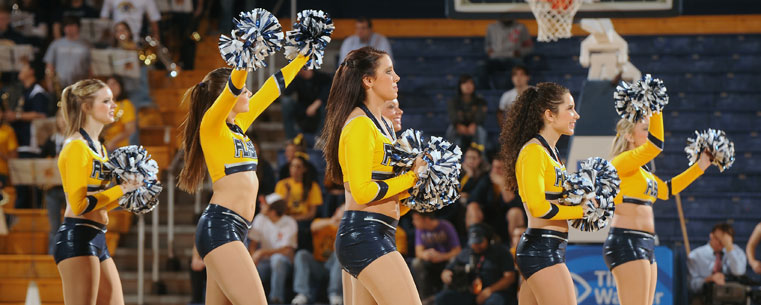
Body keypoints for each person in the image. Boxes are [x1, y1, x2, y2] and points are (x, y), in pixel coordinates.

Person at [177, 46, 309, 303]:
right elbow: (234, 87)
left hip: (237, 229)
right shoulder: (211, 126)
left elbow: (272, 88)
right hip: (220, 227)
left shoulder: (239, 126)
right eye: (244, 88)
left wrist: (302, 56)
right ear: (225, 97)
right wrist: (244, 57)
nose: (249, 92)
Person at [320, 46, 426, 305]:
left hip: (379, 232)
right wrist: (412, 177)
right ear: (367, 80)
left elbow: (386, 199)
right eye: (389, 72)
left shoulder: (383, 126)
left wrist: (420, 194)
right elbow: (363, 191)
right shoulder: (359, 125)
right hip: (364, 236)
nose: (396, 77)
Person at [604, 107, 713, 305]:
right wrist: (656, 109)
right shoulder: (622, 162)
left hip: (646, 243)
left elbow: (667, 191)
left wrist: (700, 166)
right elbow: (656, 145)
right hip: (626, 241)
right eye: (645, 129)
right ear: (629, 135)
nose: (650, 133)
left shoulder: (644, 173)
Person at [54, 79, 141, 304]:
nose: (114, 105)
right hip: (78, 237)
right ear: (86, 107)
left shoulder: (99, 147)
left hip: (97, 236)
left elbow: (100, 201)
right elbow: (80, 204)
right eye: (106, 101)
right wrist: (121, 188)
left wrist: (130, 194)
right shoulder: (76, 147)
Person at [499, 82, 585, 305]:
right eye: (570, 108)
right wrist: (579, 210)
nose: (576, 114)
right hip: (541, 249)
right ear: (549, 114)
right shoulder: (533, 152)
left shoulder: (552, 153)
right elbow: (538, 207)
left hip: (550, 247)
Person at [436, 223, 518, 305]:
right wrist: (447, 275)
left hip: (494, 292)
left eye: (479, 242)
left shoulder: (501, 252)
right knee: (442, 298)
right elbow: (446, 271)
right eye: (473, 242)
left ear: (488, 239)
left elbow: (510, 277)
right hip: (468, 292)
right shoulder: (465, 253)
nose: (475, 245)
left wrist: (489, 290)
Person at [5, 60, 49, 209]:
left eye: (24, 67)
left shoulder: (38, 92)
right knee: (21, 188)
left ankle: (27, 221)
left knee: (29, 189)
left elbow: (41, 116)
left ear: (31, 71)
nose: (20, 69)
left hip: (32, 146)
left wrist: (16, 116)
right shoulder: (25, 91)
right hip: (21, 144)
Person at [291, 204, 346, 305]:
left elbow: (338, 248)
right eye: (343, 211)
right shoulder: (322, 222)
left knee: (339, 254)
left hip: (334, 266)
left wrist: (341, 227)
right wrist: (332, 221)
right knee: (301, 254)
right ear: (337, 210)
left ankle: (335, 295)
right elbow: (313, 227)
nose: (344, 214)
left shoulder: (347, 229)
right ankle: (302, 294)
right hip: (318, 265)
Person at [249, 194, 298, 304]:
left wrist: (262, 252)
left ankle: (276, 299)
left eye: (264, 205)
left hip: (284, 263)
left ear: (273, 210)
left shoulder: (290, 222)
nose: (261, 206)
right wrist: (253, 259)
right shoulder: (260, 219)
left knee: (277, 260)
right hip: (264, 262)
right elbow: (253, 244)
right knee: (251, 269)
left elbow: (287, 250)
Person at [688, 223, 747, 304]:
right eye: (718, 239)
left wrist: (729, 247)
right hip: (705, 297)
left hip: (731, 297)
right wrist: (709, 279)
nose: (721, 244)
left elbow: (739, 272)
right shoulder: (696, 255)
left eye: (724, 241)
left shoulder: (736, 252)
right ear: (711, 236)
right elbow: (691, 286)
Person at [274, 155, 323, 250]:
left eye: (298, 167)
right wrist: (287, 194)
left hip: (303, 221)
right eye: (292, 166)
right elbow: (279, 211)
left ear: (304, 169)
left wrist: (295, 218)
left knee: (301, 230)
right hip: (285, 218)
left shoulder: (312, 186)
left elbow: (312, 213)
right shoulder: (281, 184)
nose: (294, 169)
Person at [411, 211, 462, 301]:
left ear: (426, 219)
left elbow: (457, 251)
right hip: (431, 261)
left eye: (416, 219)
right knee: (416, 263)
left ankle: (447, 296)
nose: (413, 222)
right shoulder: (419, 230)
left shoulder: (446, 226)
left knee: (454, 260)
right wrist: (425, 254)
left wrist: (442, 256)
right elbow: (418, 252)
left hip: (446, 260)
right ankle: (424, 298)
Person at [477, 19, 533, 90]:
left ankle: (513, 91)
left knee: (521, 68)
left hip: (513, 58)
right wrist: (489, 51)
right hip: (495, 59)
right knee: (481, 66)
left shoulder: (521, 27)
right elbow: (487, 45)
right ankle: (486, 93)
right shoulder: (491, 27)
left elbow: (529, 47)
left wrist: (520, 52)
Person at [41, 110, 67, 254]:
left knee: (70, 224)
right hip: (52, 187)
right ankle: (53, 255)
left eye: (64, 117)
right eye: (59, 117)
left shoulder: (75, 141)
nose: (62, 120)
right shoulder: (51, 140)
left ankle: (69, 255)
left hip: (68, 187)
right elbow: (41, 162)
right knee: (54, 225)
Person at [281, 68, 332, 139]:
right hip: (303, 107)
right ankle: (290, 138)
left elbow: (326, 92)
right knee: (286, 101)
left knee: (326, 107)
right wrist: (292, 75)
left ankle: (320, 138)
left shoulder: (322, 77)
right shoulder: (298, 79)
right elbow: (286, 92)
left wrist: (315, 105)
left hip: (319, 107)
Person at [44, 16, 91, 88]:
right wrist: (50, 84)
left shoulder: (86, 45)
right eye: (66, 25)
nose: (69, 28)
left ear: (78, 27)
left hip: (80, 86)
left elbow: (91, 68)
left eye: (72, 25)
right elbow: (49, 66)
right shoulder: (56, 44)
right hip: (59, 86)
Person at [446, 74, 488, 151]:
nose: (468, 86)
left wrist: (474, 124)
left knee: (481, 131)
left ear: (474, 86)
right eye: (465, 83)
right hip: (458, 128)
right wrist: (458, 125)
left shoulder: (480, 101)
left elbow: (480, 115)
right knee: (451, 129)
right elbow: (452, 115)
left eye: (470, 83)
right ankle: (450, 156)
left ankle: (481, 155)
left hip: (474, 128)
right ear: (460, 86)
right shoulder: (453, 101)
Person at [101, 76, 137, 151]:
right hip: (102, 145)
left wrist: (113, 142)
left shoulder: (125, 104)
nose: (111, 87)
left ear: (121, 86)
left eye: (114, 84)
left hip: (118, 147)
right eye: (108, 84)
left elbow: (130, 129)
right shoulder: (102, 105)